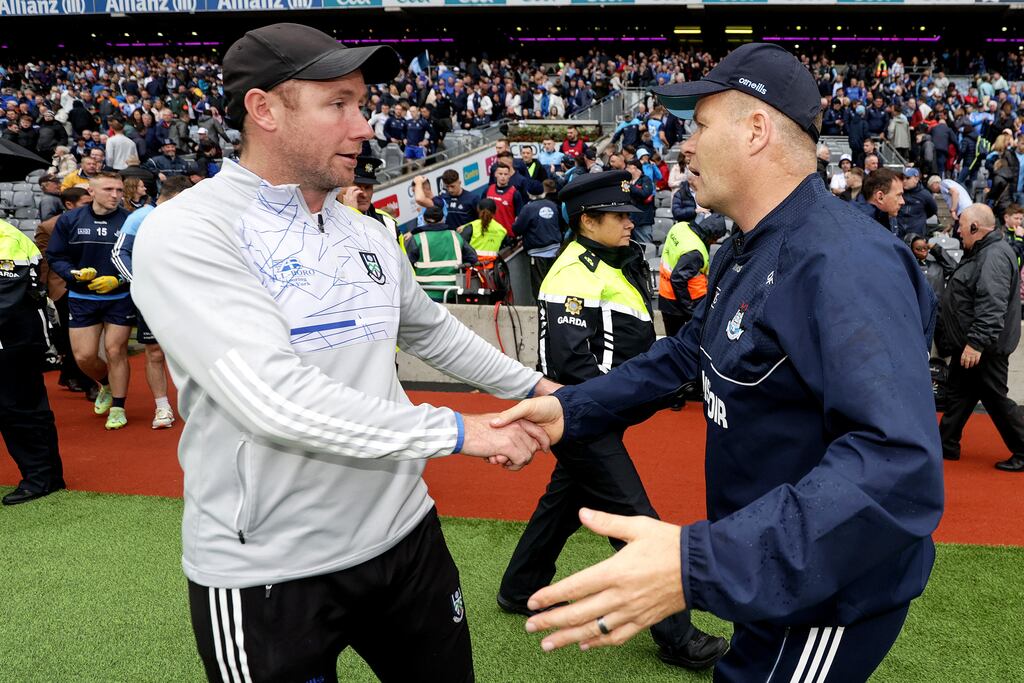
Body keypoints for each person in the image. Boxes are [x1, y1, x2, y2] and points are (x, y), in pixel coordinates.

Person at [494, 43, 943, 681]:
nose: (685, 145)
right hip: (767, 565)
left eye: (701, 125)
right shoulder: (746, 245)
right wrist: (568, 410)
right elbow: (688, 352)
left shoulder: (844, 262)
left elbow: (894, 466)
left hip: (824, 595)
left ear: (757, 130)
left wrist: (693, 563)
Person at [130, 24, 555, 683]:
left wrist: (536, 390)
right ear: (264, 110)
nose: (364, 126)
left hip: (406, 536)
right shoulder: (189, 233)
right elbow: (276, 402)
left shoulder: (366, 232)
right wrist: (459, 430)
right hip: (269, 572)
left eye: (362, 103)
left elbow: (430, 330)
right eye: (339, 104)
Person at [498, 171, 729, 671]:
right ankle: (677, 636)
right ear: (587, 221)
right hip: (585, 419)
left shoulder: (608, 263)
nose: (630, 224)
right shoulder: (570, 275)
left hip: (598, 414)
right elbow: (568, 367)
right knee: (634, 519)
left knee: (563, 502)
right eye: (620, 216)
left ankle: (520, 587)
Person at [935, 203, 1024, 472]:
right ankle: (945, 444)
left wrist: (976, 342)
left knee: (996, 400)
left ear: (975, 227)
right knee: (959, 394)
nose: (958, 231)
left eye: (961, 226)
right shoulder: (983, 251)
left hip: (984, 347)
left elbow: (991, 304)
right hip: (973, 345)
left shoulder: (993, 256)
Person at [46, 172, 133, 431]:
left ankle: (118, 406)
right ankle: (106, 383)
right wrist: (72, 273)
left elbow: (140, 257)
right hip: (82, 297)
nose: (116, 195)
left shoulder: (129, 221)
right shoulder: (70, 220)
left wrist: (119, 279)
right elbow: (55, 255)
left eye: (119, 190)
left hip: (119, 297)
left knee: (115, 350)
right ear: (91, 192)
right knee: (84, 357)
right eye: (108, 189)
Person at [111, 175, 193, 430]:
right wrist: (140, 282)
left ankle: (196, 405)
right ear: (175, 196)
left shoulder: (192, 218)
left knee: (194, 350)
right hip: (154, 297)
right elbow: (118, 252)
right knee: (155, 351)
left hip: (188, 295)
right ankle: (162, 406)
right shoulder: (141, 216)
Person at [0, 219, 65, 505]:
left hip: (14, 341)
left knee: (20, 412)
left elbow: (6, 297)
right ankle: (46, 477)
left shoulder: (6, 238)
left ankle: (41, 478)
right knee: (24, 410)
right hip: (16, 337)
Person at [34, 187, 96, 399]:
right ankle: (89, 384)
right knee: (74, 337)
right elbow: (44, 261)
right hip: (62, 287)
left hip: (92, 284)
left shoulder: (96, 222)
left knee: (78, 337)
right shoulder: (48, 226)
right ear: (69, 204)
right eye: (85, 203)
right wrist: (43, 290)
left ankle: (69, 375)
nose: (90, 207)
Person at [658, 215, 727, 337]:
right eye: (716, 239)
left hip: (665, 294)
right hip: (682, 302)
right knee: (685, 342)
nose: (715, 242)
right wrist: (690, 309)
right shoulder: (695, 251)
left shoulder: (680, 226)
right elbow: (678, 279)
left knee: (672, 339)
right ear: (712, 235)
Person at [406, 205, 478, 301]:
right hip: (453, 292)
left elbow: (405, 265)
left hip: (425, 293)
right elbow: (473, 258)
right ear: (443, 219)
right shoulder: (455, 236)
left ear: (423, 219)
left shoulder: (416, 238)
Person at [511, 178, 563, 298]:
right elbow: (561, 224)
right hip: (556, 250)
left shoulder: (528, 208)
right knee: (554, 283)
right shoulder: (553, 205)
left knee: (540, 286)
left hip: (537, 253)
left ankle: (542, 312)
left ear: (529, 193)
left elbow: (517, 229)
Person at [414, 169, 479, 232]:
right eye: (447, 187)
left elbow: (481, 220)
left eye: (452, 186)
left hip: (468, 238)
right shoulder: (442, 198)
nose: (450, 190)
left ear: (459, 182)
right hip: (450, 239)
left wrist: (466, 226)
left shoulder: (473, 198)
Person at [863, 167, 906, 236]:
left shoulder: (889, 216)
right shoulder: (864, 227)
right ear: (880, 197)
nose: (902, 202)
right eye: (898, 195)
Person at [485, 162, 525, 235]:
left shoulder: (515, 193)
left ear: (509, 175)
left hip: (508, 234)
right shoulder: (488, 190)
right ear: (495, 174)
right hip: (491, 233)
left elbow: (520, 217)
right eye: (500, 174)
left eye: (505, 174)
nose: (503, 176)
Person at [899, 168, 938, 236]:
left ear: (916, 179)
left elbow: (933, 209)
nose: (904, 181)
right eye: (903, 178)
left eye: (908, 178)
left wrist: (920, 219)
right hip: (899, 232)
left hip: (916, 234)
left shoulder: (925, 194)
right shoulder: (898, 192)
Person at [625, 159, 655, 244]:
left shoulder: (646, 180)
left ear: (635, 168)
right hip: (630, 218)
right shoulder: (627, 181)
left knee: (645, 244)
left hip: (643, 218)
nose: (626, 170)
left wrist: (630, 186)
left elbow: (645, 193)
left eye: (628, 167)